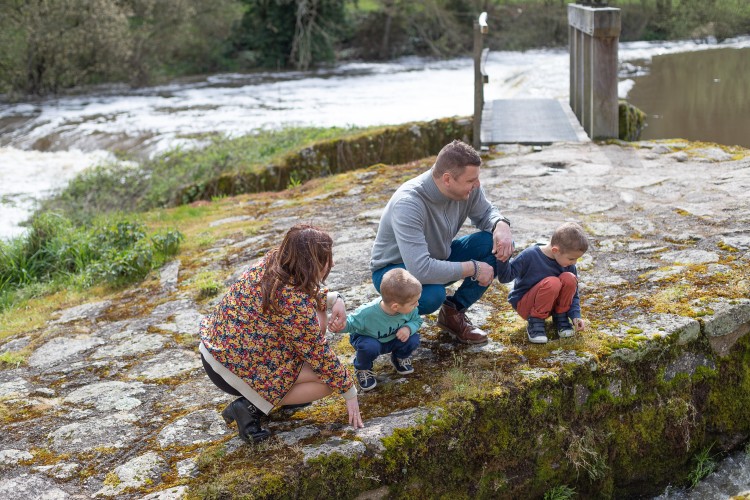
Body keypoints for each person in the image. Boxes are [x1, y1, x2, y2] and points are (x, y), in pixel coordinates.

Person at [199, 224, 364, 443]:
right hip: (230, 369)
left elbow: (307, 292)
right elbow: (317, 352)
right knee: (327, 381)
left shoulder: (275, 261)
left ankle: (280, 397)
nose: (331, 263)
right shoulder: (292, 301)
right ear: (311, 262)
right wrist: (349, 392)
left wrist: (336, 299)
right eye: (326, 258)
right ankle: (249, 407)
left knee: (319, 314)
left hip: (219, 353)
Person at [370, 139, 514, 345]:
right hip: (394, 271)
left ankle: (453, 313)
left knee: (491, 243)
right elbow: (419, 269)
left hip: (437, 259)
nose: (477, 184)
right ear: (447, 179)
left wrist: (501, 224)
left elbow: (487, 212)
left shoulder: (468, 189)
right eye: (471, 180)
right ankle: (386, 314)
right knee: (431, 296)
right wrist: (473, 268)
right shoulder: (409, 203)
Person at [496, 222, 589, 344]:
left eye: (577, 259)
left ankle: (561, 318)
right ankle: (535, 323)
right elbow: (505, 277)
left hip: (550, 306)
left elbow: (574, 294)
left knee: (570, 278)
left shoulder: (568, 265)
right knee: (553, 282)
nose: (574, 262)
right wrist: (502, 258)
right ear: (555, 250)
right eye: (572, 258)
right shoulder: (529, 255)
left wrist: (576, 316)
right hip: (527, 306)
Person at [331, 268, 422, 392]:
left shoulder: (411, 310)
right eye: (413, 303)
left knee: (413, 339)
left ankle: (399, 358)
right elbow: (351, 323)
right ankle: (362, 368)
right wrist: (339, 326)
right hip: (369, 340)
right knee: (369, 347)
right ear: (395, 306)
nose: (417, 305)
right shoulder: (367, 313)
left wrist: (408, 328)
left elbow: (417, 320)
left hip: (393, 339)